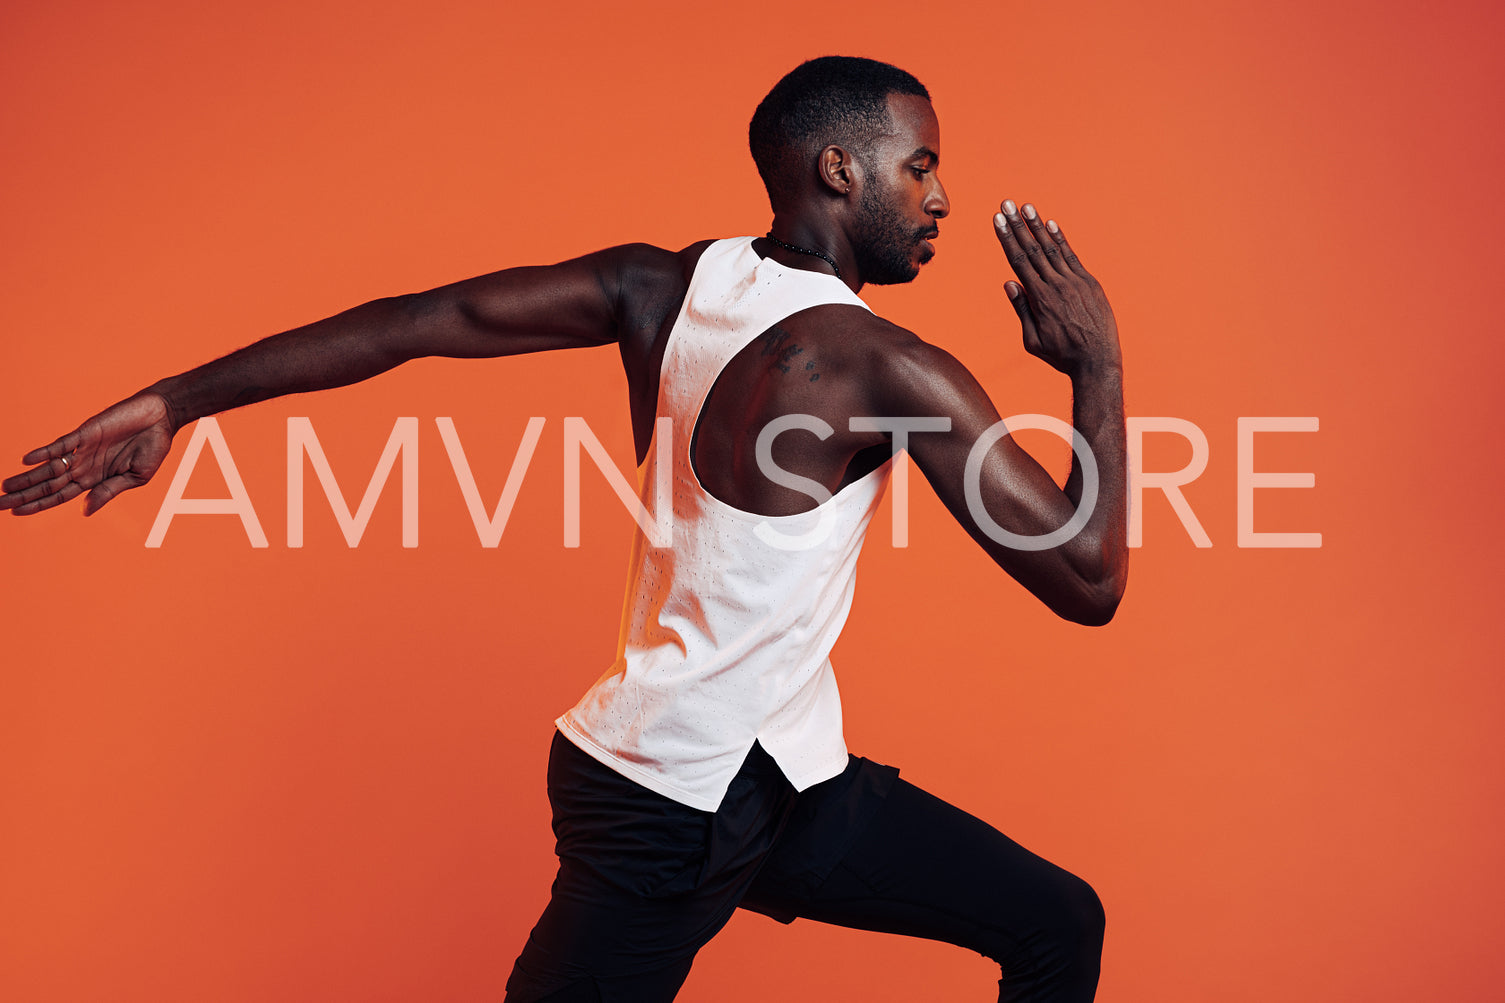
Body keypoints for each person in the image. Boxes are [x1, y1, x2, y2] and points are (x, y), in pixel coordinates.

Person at [2, 57, 1126, 1001]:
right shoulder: (891, 369)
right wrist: (1096, 365)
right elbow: (1087, 578)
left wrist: (177, 398)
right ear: (841, 169)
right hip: (668, 800)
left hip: (785, 774)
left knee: (1053, 922)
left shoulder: (662, 289)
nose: (937, 198)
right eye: (919, 164)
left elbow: (419, 323)